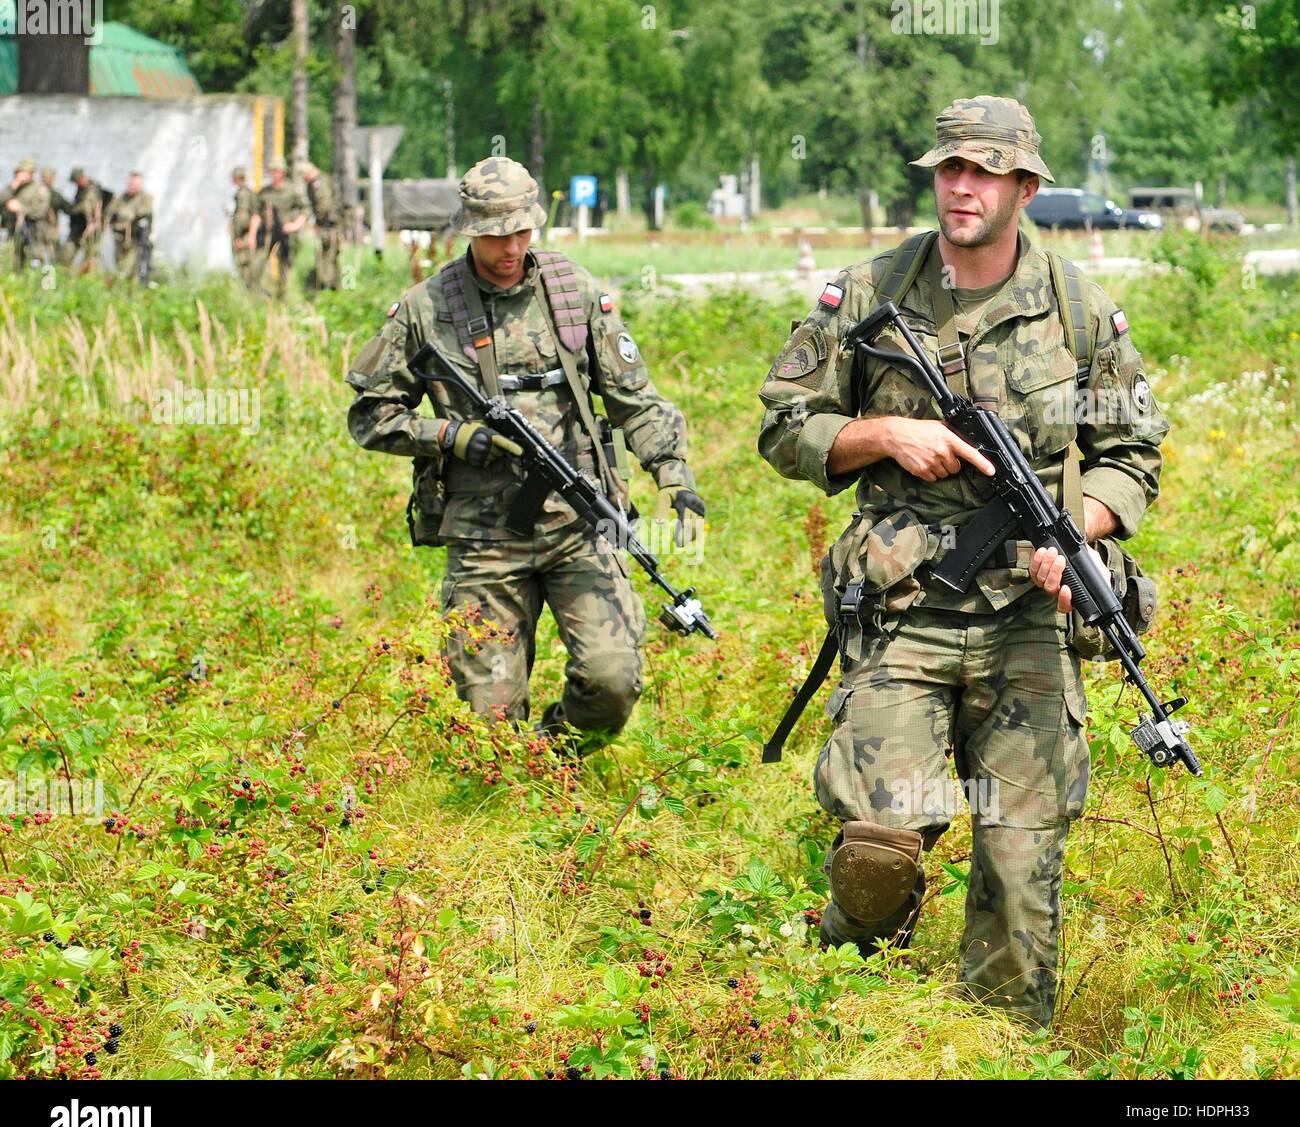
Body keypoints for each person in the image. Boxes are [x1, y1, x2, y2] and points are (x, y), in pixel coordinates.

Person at [756, 96, 1168, 1029]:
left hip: (1031, 610)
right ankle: (844, 999)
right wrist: (879, 433)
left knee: (1021, 873)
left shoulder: (1079, 308)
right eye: (950, 168)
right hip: (906, 608)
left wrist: (1083, 527)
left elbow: (1132, 450)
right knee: (877, 851)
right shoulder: (869, 294)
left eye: (984, 171)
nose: (962, 186)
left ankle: (994, 1048)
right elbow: (784, 425)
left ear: (1026, 186)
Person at [346, 155, 704, 750]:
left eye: (520, 231)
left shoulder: (574, 294)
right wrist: (453, 437)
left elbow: (634, 398)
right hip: (484, 540)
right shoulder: (426, 310)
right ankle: (517, 780)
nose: (509, 247)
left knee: (611, 681)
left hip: (579, 525)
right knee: (490, 726)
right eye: (494, 235)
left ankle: (558, 755)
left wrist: (674, 475)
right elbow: (369, 415)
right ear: (469, 230)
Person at [250, 156, 308, 298]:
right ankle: (256, 294)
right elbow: (256, 213)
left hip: (286, 234)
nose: (274, 173)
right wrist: (252, 235)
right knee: (257, 265)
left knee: (286, 266)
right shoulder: (265, 192)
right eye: (272, 170)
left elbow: (305, 210)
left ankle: (284, 295)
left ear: (283, 172)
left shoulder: (291, 190)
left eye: (277, 170)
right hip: (268, 234)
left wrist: (295, 226)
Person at [2, 157, 52, 271]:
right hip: (13, 235)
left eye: (23, 172)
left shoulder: (40, 189)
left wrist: (20, 208)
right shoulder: (13, 188)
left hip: (33, 234)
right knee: (13, 265)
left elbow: (40, 212)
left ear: (31, 173)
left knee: (36, 267)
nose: (20, 175)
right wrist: (13, 186)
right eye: (19, 172)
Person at [106, 171, 154, 282]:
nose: (131, 186)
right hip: (120, 237)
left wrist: (126, 214)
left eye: (134, 184)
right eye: (130, 184)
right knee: (119, 264)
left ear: (139, 184)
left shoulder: (145, 198)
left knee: (129, 269)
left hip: (135, 240)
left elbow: (143, 211)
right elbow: (110, 211)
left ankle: (127, 290)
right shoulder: (122, 198)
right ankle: (121, 291)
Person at [302, 160, 340, 291]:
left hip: (330, 225)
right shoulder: (314, 183)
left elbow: (325, 205)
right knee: (326, 256)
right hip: (325, 225)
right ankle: (327, 286)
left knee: (329, 256)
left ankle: (330, 286)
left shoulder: (321, 182)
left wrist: (320, 222)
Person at [63, 168, 106, 270]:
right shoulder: (81, 189)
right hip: (79, 227)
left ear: (81, 178)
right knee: (67, 253)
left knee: (91, 256)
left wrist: (72, 210)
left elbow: (87, 206)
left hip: (90, 228)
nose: (76, 184)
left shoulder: (92, 189)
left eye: (77, 181)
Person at [229, 166, 258, 288]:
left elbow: (249, 216)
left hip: (244, 235)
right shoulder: (242, 193)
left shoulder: (244, 194)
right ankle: (246, 289)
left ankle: (249, 290)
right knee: (241, 265)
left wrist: (246, 236)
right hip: (241, 235)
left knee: (245, 265)